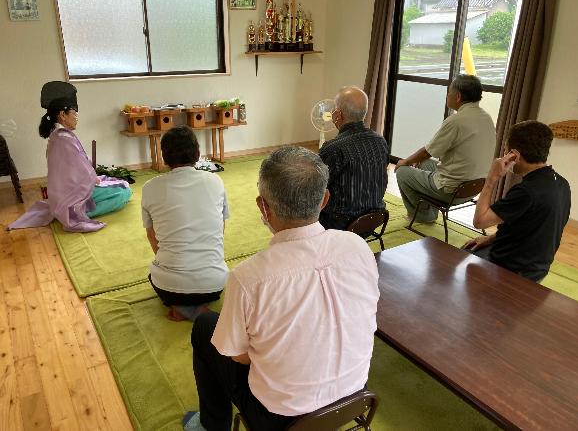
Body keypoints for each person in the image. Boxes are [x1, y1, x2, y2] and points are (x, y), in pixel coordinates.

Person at [182, 147, 379, 431]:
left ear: (263, 207)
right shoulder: (358, 247)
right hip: (354, 397)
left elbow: (237, 356)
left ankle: (213, 425)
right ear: (324, 200)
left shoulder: (248, 277)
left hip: (279, 418)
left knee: (204, 326)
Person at [8, 81, 132, 232]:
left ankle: (68, 210)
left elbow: (76, 167)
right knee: (124, 192)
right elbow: (83, 172)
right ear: (62, 115)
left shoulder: (57, 136)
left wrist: (91, 171)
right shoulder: (63, 139)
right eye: (74, 113)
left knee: (118, 182)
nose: (77, 117)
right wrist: (94, 176)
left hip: (62, 193)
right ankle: (74, 213)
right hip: (73, 194)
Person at [463, 120, 571, 282]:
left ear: (515, 155)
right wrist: (492, 238)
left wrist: (491, 179)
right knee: (473, 245)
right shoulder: (562, 183)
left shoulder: (526, 191)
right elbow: (532, 227)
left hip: (510, 271)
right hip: (537, 269)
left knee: (458, 258)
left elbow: (479, 222)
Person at [141, 126, 228, 321]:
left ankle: (186, 310)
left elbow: (152, 236)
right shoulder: (216, 182)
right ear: (197, 153)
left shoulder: (149, 188)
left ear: (164, 157)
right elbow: (220, 229)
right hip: (214, 284)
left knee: (154, 276)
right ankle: (197, 308)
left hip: (168, 288)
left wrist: (176, 264)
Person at [395, 74, 496, 223]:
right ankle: (427, 210)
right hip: (473, 188)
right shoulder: (486, 117)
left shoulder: (456, 121)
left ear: (458, 96)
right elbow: (429, 155)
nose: (447, 95)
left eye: (449, 92)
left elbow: (428, 151)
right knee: (424, 164)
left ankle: (424, 217)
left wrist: (404, 162)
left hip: (452, 190)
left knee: (402, 172)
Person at [318, 86, 389, 230]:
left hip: (340, 223)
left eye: (333, 110)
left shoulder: (334, 148)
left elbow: (317, 186)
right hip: (374, 218)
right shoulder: (380, 141)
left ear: (337, 114)